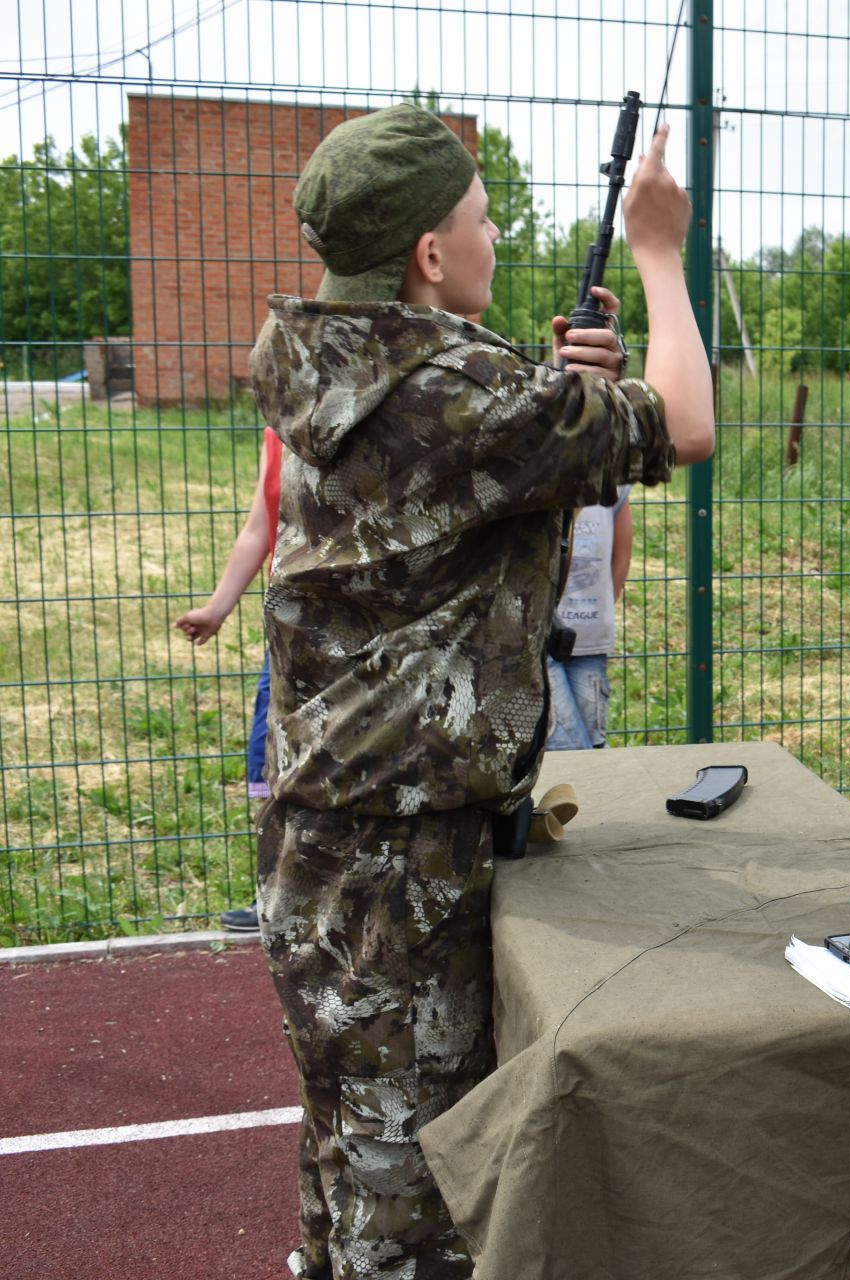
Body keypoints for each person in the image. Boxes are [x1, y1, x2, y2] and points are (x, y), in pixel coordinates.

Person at [248, 103, 714, 1280]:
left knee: (348, 1160)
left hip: (320, 836)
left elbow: (453, 458)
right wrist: (658, 250)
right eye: (483, 219)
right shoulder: (470, 392)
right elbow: (690, 425)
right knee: (422, 1199)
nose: (498, 236)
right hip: (405, 860)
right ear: (430, 256)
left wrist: (554, 394)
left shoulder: (311, 356)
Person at [173, 428, 286, 931]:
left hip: (361, 631)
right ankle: (280, 894)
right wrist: (217, 608)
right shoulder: (280, 429)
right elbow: (258, 527)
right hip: (289, 631)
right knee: (270, 756)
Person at [546, 485, 633, 750]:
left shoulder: (611, 477)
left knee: (593, 743)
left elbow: (622, 556)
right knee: (565, 745)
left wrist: (602, 606)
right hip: (541, 638)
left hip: (590, 638)